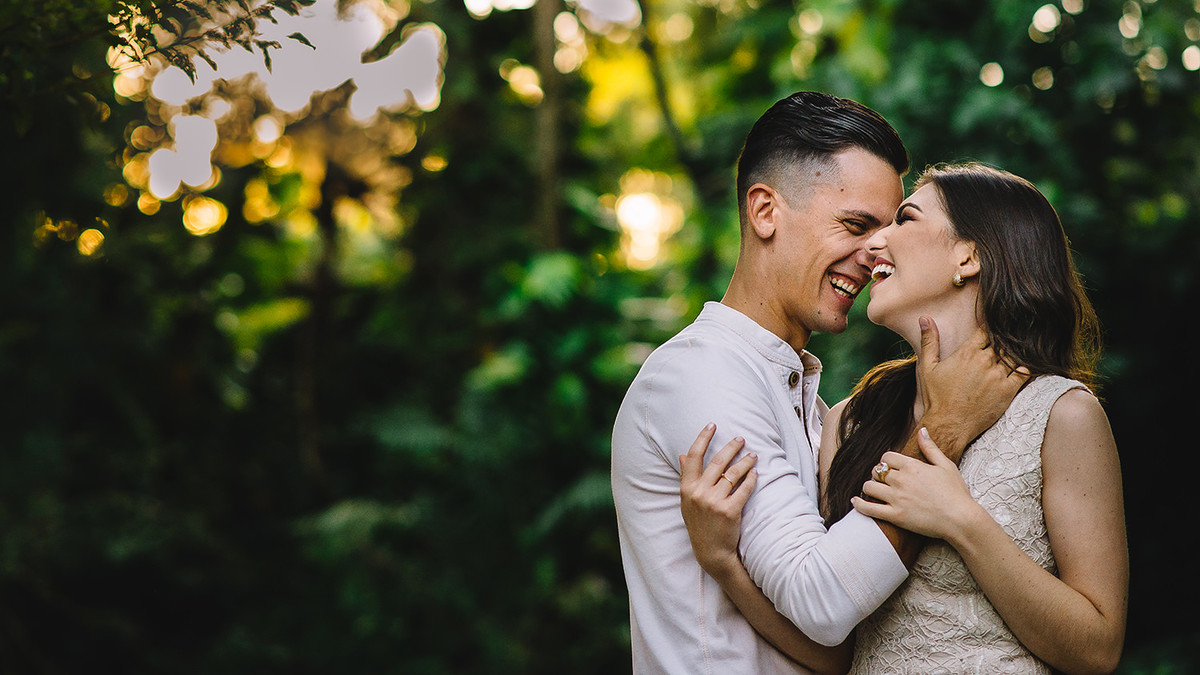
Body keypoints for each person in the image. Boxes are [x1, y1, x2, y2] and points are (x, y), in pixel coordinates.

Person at [610, 91, 1029, 674]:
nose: (876, 254)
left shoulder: (804, 399)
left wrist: (725, 566)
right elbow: (824, 599)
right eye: (855, 225)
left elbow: (836, 651)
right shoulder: (702, 375)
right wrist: (946, 427)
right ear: (765, 212)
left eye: (887, 231)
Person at [681, 163, 1129, 673]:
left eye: (904, 219)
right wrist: (723, 565)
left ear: (970, 255)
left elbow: (1098, 649)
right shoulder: (850, 421)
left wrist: (961, 521)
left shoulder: (1060, 415)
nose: (874, 245)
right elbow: (837, 653)